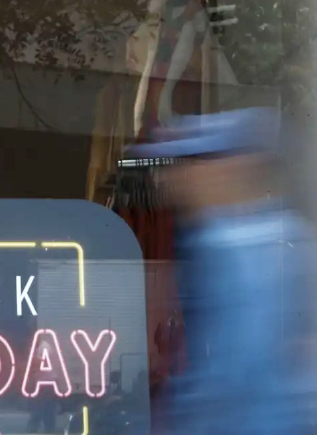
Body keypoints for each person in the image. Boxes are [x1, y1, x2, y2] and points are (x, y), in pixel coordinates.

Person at [127, 108, 317, 435]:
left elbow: (231, 377)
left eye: (188, 164)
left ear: (228, 168)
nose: (173, 179)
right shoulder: (291, 235)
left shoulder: (233, 247)